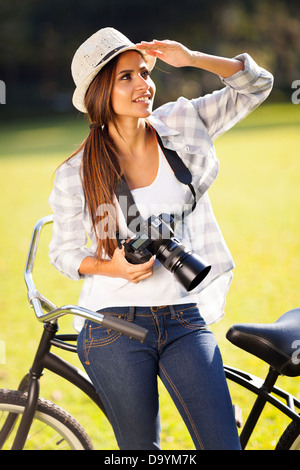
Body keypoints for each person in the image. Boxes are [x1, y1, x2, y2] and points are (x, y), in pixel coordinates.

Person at [49, 27, 273, 450]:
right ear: (100, 92)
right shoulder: (75, 171)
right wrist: (109, 266)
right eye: (126, 77)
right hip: (112, 324)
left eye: (144, 73)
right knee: (140, 453)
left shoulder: (182, 123)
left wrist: (192, 58)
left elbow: (257, 85)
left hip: (183, 316)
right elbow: (62, 253)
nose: (144, 85)